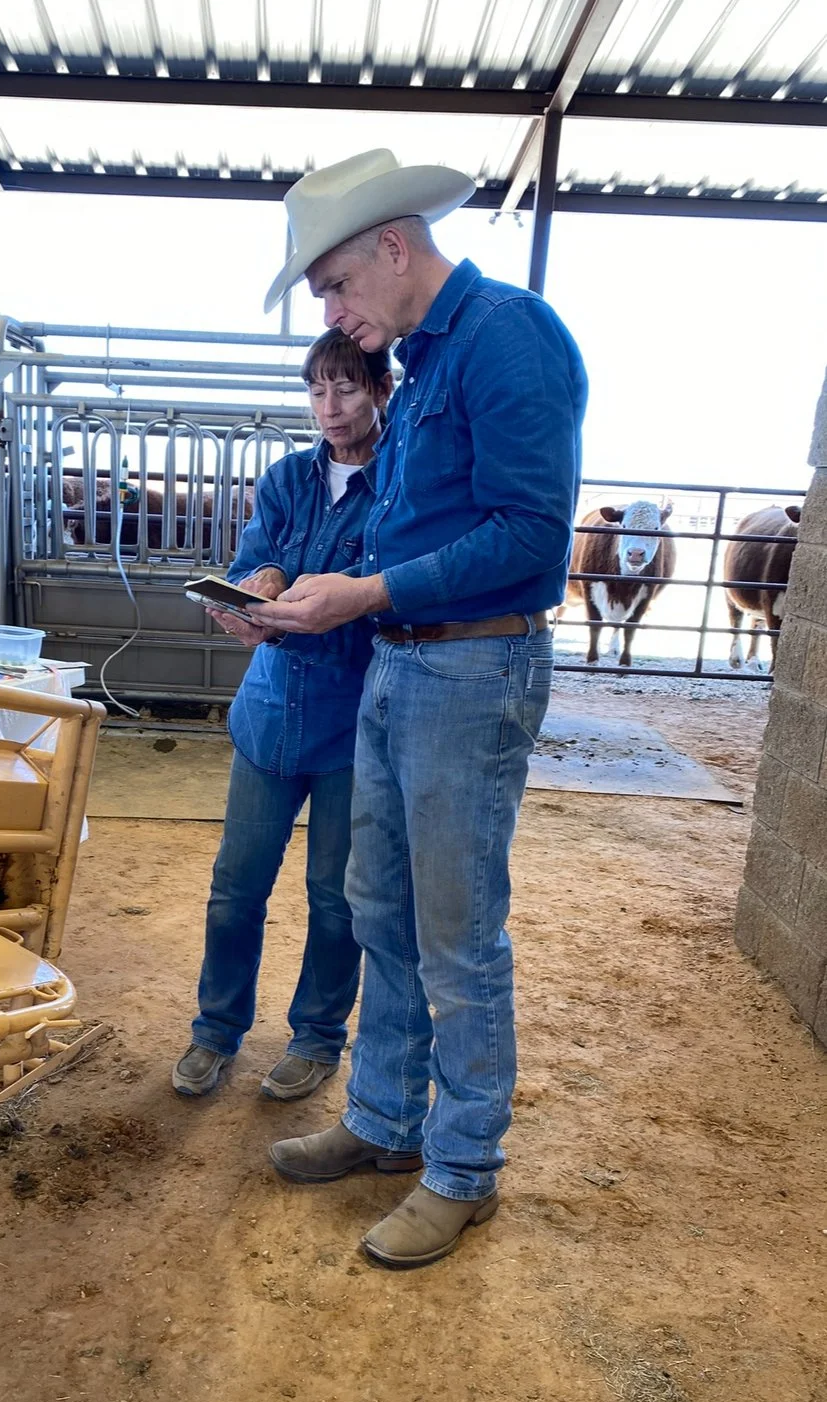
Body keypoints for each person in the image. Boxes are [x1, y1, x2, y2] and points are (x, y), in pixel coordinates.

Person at [250, 149, 587, 1268]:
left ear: (393, 247)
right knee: (378, 906)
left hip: (472, 667)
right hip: (398, 665)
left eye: (336, 285)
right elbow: (413, 531)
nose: (334, 316)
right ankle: (386, 1120)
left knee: (455, 927)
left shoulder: (506, 336)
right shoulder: (425, 358)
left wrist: (367, 594)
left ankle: (463, 1167)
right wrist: (313, 596)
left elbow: (531, 534)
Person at [172, 329, 393, 1102]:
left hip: (351, 724)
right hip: (268, 714)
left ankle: (317, 1037)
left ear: (381, 390)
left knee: (335, 897)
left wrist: (341, 602)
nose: (328, 406)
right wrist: (256, 582)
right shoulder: (285, 477)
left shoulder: (400, 484)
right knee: (236, 887)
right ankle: (215, 1029)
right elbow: (253, 558)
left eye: (346, 388)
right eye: (316, 389)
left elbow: (395, 593)